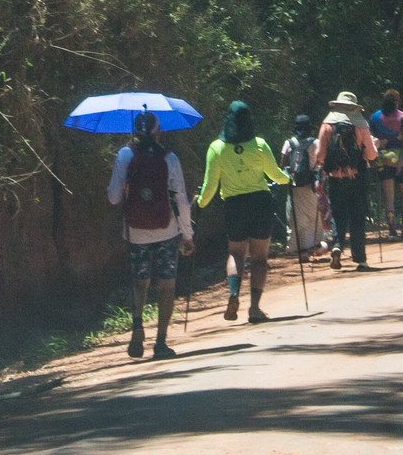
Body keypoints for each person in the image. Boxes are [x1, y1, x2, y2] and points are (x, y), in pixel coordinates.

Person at [107, 111, 195, 360]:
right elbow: (181, 200)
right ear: (159, 131)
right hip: (167, 230)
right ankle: (160, 343)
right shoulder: (170, 158)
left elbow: (113, 197)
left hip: (135, 232)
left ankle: (137, 325)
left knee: (139, 282)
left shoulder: (125, 155)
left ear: (135, 131)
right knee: (166, 286)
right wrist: (187, 235)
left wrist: (126, 189)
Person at [196, 101, 291, 322]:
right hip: (260, 203)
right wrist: (290, 178)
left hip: (234, 205)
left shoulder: (216, 148)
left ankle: (233, 294)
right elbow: (275, 175)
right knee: (259, 257)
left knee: (236, 253)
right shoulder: (259, 144)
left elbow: (210, 186)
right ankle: (255, 309)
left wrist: (199, 204)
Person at [315, 91, 378, 271]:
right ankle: (360, 259)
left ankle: (337, 245)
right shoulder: (360, 124)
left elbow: (320, 155)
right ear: (354, 107)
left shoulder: (327, 124)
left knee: (338, 213)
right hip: (358, 177)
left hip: (336, 179)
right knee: (358, 216)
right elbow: (371, 154)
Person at [369, 88, 403, 238]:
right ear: (397, 101)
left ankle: (391, 229)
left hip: (383, 159)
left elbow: (372, 139)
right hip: (401, 159)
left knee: (388, 196)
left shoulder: (375, 117)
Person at [279, 115, 322, 263]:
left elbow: (283, 164)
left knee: (296, 217)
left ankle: (301, 250)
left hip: (294, 185)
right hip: (310, 185)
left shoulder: (288, 143)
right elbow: (320, 162)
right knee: (312, 215)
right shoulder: (315, 142)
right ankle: (314, 246)